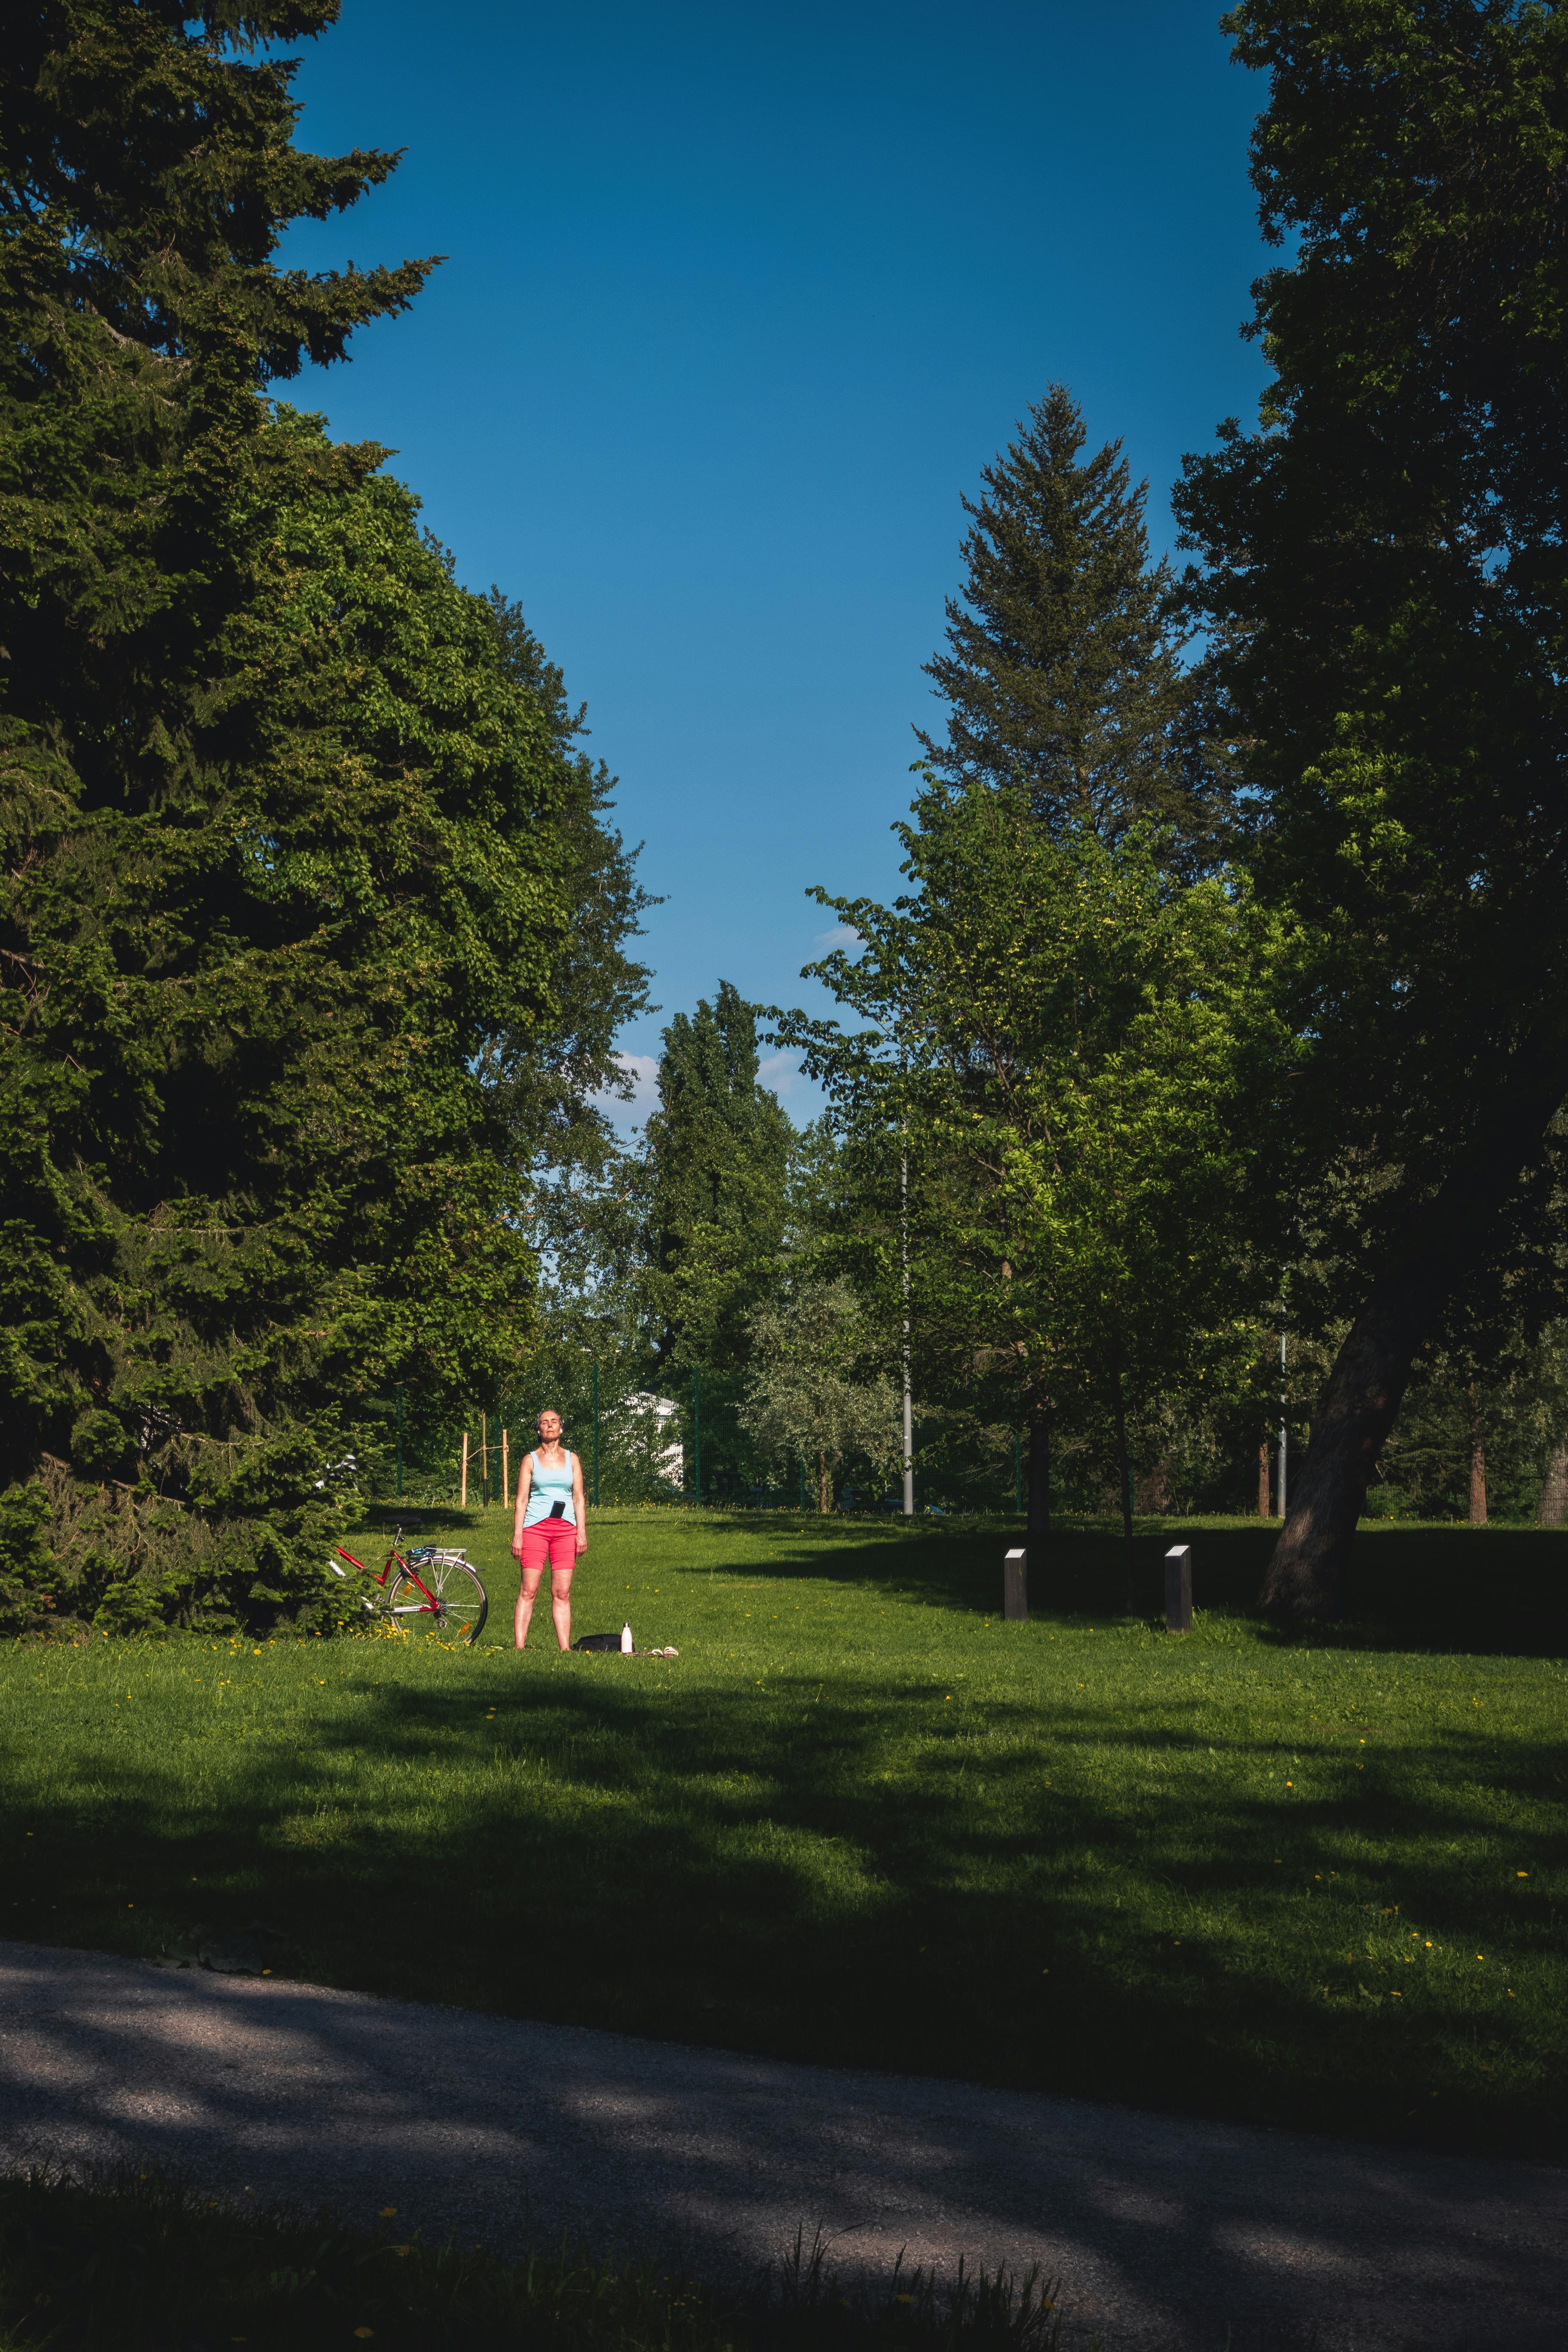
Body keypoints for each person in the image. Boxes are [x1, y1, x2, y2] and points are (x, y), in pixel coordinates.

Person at [512, 1408, 587, 1651]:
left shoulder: (572, 1459)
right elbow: (522, 1500)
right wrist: (518, 1534)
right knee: (529, 1590)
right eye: (545, 1422)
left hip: (566, 1530)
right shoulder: (530, 1460)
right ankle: (519, 1647)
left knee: (562, 1592)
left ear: (561, 1428)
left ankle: (565, 1649)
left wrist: (582, 1533)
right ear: (539, 1430)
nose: (550, 1425)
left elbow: (578, 1498)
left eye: (555, 1422)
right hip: (535, 1528)